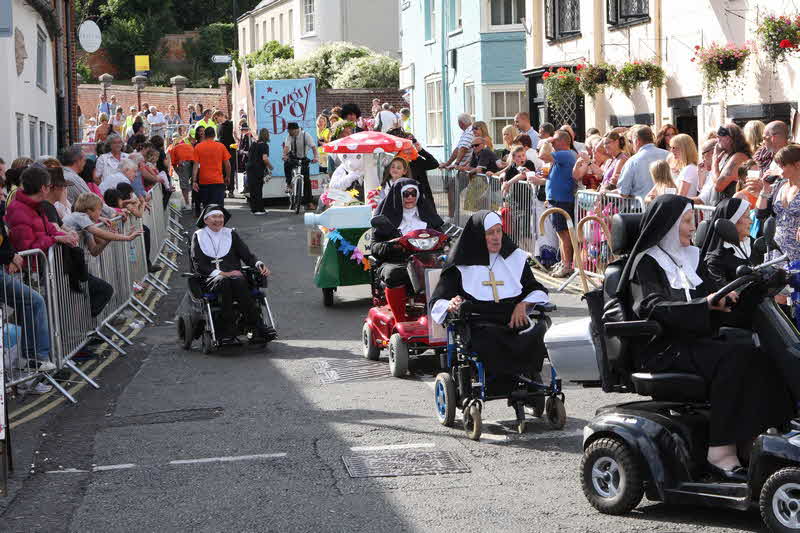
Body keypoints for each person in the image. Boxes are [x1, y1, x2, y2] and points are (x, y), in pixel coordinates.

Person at [615, 194, 792, 478]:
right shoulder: (645, 263)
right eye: (686, 221)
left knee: (759, 356)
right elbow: (652, 307)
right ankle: (720, 451)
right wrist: (705, 303)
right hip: (660, 348)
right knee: (732, 359)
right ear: (668, 225)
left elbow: (721, 303)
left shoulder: (692, 258)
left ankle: (751, 441)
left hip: (696, 342)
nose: (692, 226)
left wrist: (756, 289)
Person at [429, 210, 550, 374]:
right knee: (488, 339)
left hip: (513, 322)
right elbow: (437, 300)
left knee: (540, 329)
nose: (496, 237)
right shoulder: (460, 264)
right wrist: (450, 304)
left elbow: (535, 288)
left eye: (499, 231)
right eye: (490, 233)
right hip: (480, 326)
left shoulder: (515, 258)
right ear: (479, 235)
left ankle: (527, 380)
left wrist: (523, 305)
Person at [190, 205, 276, 343]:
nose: (218, 220)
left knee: (238, 279)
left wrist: (258, 263)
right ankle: (226, 328)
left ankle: (256, 326)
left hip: (236, 278)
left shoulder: (230, 233)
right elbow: (198, 264)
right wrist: (222, 273)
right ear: (206, 220)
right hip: (210, 278)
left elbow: (247, 255)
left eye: (220, 217)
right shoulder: (199, 236)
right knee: (225, 280)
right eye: (214, 217)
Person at [371, 178, 443, 323]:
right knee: (394, 273)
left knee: (449, 271)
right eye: (406, 194)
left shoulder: (428, 216)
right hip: (397, 261)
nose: (410, 197)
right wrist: (392, 245)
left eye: (413, 193)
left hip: (427, 260)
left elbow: (442, 237)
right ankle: (400, 321)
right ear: (398, 196)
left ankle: (437, 317)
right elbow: (375, 247)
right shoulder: (386, 218)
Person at [539, 130, 578, 278]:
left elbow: (542, 155)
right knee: (561, 233)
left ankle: (567, 264)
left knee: (564, 234)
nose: (552, 144)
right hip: (557, 199)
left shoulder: (565, 154)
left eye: (555, 141)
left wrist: (547, 141)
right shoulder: (562, 156)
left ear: (562, 142)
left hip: (562, 200)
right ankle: (564, 262)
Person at [699, 198, 755, 290]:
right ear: (732, 221)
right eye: (747, 217)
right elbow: (725, 294)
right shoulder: (716, 259)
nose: (751, 221)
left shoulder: (754, 244)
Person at [617, 126, 669, 200]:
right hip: (664, 205)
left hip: (640, 208)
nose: (631, 145)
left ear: (637, 141)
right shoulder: (668, 155)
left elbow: (623, 192)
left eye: (631, 141)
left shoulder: (633, 161)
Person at [709, 123, 752, 204]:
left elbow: (719, 186)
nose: (717, 142)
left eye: (719, 138)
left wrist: (714, 162)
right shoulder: (733, 156)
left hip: (732, 209)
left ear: (728, 139)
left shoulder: (738, 158)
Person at [192, 126, 231, 209]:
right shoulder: (221, 146)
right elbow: (227, 164)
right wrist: (227, 177)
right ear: (214, 135)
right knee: (219, 207)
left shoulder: (198, 147)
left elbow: (195, 166)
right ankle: (219, 221)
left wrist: (194, 180)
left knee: (207, 207)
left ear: (205, 135)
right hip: (218, 181)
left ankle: (208, 221)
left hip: (204, 181)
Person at [282, 122, 317, 209]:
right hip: (293, 157)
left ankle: (309, 202)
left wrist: (316, 157)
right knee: (286, 164)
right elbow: (286, 147)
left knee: (307, 181)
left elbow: (313, 147)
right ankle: (289, 183)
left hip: (303, 158)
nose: (289, 133)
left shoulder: (306, 135)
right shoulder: (289, 136)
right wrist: (285, 155)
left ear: (295, 130)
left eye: (290, 131)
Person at [247, 128, 272, 215]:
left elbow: (249, 155)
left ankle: (254, 209)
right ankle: (260, 209)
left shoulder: (254, 144)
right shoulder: (264, 146)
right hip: (258, 169)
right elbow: (264, 159)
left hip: (250, 168)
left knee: (252, 189)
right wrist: (270, 167)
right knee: (258, 189)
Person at [171, 135, 197, 209]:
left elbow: (173, 164)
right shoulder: (188, 145)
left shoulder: (174, 149)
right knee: (195, 181)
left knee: (184, 185)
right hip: (194, 161)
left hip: (184, 162)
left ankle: (187, 203)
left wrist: (179, 174)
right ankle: (195, 202)